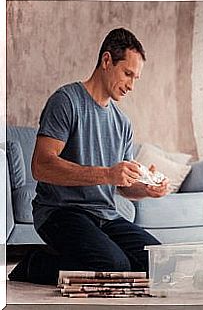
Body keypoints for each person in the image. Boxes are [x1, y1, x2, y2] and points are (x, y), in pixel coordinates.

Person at [8, 27, 169, 285]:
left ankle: (82, 256)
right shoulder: (66, 101)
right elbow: (41, 166)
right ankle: (35, 264)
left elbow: (122, 186)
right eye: (128, 74)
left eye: (136, 78)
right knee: (115, 266)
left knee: (160, 262)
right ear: (106, 61)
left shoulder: (123, 123)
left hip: (105, 216)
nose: (131, 85)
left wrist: (146, 189)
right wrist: (107, 173)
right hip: (60, 212)